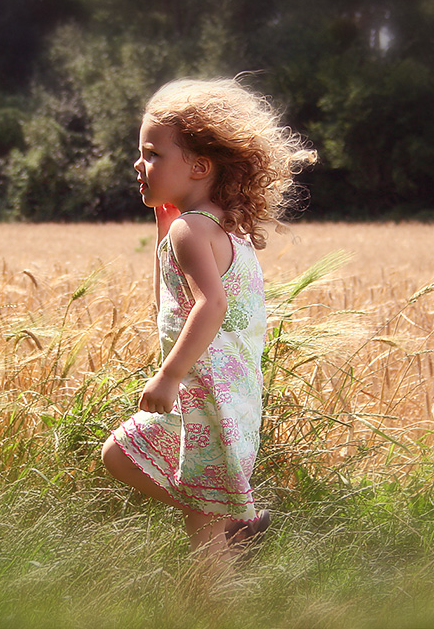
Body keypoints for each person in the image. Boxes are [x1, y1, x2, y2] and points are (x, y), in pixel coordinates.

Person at [101, 77, 315, 571]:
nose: (139, 163)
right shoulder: (217, 227)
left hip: (203, 396)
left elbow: (210, 305)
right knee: (121, 454)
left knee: (203, 547)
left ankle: (216, 597)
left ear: (199, 166)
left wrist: (169, 374)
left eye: (152, 153)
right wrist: (163, 226)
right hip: (227, 397)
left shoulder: (190, 229)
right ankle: (233, 523)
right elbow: (170, 301)